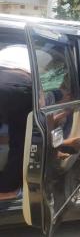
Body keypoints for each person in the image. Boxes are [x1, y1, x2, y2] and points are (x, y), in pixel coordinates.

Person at [0, 44, 32, 200]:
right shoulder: (31, 53)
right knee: (21, 140)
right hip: (18, 84)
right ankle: (7, 190)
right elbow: (40, 110)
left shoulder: (10, 50)